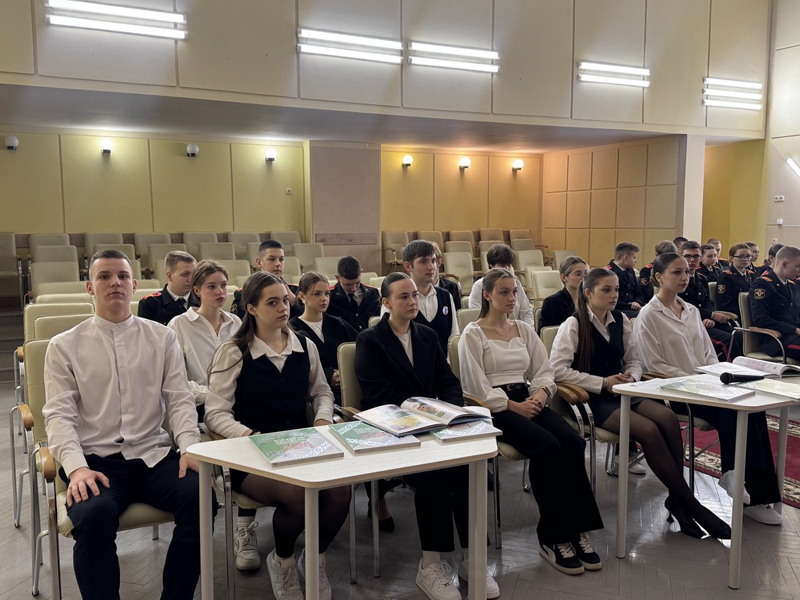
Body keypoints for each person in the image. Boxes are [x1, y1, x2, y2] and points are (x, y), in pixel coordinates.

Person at [43, 249, 212, 600]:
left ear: (134, 285)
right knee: (92, 516)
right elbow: (58, 416)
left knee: (202, 498)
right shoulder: (64, 346)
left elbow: (179, 400)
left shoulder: (161, 337)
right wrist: (76, 469)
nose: (114, 283)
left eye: (122, 276)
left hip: (153, 456)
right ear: (90, 287)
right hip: (96, 463)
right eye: (104, 276)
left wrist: (189, 448)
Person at [550, 267, 731, 540]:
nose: (614, 295)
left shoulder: (621, 320)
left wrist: (631, 376)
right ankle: (691, 506)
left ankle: (678, 501)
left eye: (616, 290)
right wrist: (603, 382)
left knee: (668, 418)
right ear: (588, 293)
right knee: (648, 430)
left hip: (622, 389)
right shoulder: (574, 324)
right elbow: (558, 370)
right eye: (606, 290)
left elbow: (634, 360)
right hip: (592, 397)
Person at [205, 272, 350, 600]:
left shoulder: (304, 345)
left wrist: (323, 417)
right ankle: (283, 560)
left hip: (301, 447)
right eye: (272, 302)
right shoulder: (234, 352)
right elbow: (215, 414)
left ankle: (315, 558)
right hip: (250, 453)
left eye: (285, 300)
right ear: (252, 308)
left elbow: (322, 392)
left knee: (340, 491)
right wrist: (249, 435)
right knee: (297, 494)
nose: (283, 308)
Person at [356, 272, 500, 600]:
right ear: (386, 302)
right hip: (391, 428)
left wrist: (450, 410)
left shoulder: (427, 335)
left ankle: (472, 558)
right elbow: (377, 393)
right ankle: (430, 564)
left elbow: (447, 380)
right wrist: (421, 412)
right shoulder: (370, 340)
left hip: (430, 425)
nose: (412, 301)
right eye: (403, 296)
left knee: (468, 469)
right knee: (434, 474)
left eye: (414, 296)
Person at [459, 269, 604, 576]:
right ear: (487, 295)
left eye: (515, 292)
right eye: (504, 292)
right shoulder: (473, 333)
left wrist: (540, 394)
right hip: (495, 407)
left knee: (573, 442)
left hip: (528, 397)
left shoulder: (524, 329)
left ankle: (577, 529)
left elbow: (544, 370)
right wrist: (512, 405)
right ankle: (553, 537)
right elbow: (474, 385)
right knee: (548, 447)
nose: (512, 298)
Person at [635, 252, 782, 524]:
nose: (684, 277)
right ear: (658, 277)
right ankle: (733, 475)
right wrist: (694, 379)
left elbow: (709, 355)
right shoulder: (648, 315)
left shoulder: (691, 311)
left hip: (703, 383)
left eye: (686, 272)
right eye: (676, 272)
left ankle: (759, 496)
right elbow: (652, 364)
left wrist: (714, 375)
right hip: (673, 390)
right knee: (732, 410)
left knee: (753, 407)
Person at [168, 260, 241, 421]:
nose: (220, 291)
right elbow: (176, 378)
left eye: (223, 285)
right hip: (200, 405)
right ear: (197, 290)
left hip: (239, 402)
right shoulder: (179, 324)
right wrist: (214, 396)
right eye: (211, 286)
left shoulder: (235, 322)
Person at [380, 240, 459, 354]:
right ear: (408, 266)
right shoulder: (395, 299)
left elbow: (454, 338)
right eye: (423, 262)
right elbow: (388, 340)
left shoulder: (446, 296)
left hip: (442, 362)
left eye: (433, 261)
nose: (431, 267)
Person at [290, 271, 358, 402]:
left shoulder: (338, 323)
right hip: (312, 396)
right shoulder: (293, 328)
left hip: (345, 390)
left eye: (327, 293)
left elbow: (358, 350)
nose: (324, 298)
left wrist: (345, 374)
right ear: (302, 296)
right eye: (317, 294)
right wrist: (328, 376)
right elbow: (295, 367)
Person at [676, 241, 735, 359]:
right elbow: (683, 306)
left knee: (736, 334)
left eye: (696, 256)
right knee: (727, 340)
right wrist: (710, 315)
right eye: (687, 256)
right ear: (681, 257)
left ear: (700, 258)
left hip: (705, 319)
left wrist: (710, 317)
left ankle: (740, 366)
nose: (692, 260)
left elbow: (708, 302)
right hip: (689, 323)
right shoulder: (678, 279)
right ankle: (727, 369)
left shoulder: (702, 278)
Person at [749, 245, 800, 363]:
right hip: (777, 339)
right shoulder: (763, 285)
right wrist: (794, 329)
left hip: (794, 336)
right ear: (784, 264)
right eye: (797, 266)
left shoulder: (792, 285)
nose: (799, 271)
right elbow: (761, 319)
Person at [231, 240, 302, 320]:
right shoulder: (244, 293)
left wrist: (294, 302)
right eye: (272, 259)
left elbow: (307, 321)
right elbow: (238, 323)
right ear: (259, 262)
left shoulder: (295, 290)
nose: (278, 264)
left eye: (281, 259)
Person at [468, 243, 534, 327]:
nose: (506, 269)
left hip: (515, 330)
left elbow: (526, 312)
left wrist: (528, 331)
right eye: (502, 265)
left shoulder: (516, 283)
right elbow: (476, 315)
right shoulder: (479, 286)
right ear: (491, 265)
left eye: (509, 265)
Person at [138, 250, 199, 325]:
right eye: (185, 274)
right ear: (169, 276)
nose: (191, 279)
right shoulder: (150, 304)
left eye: (194, 274)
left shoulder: (201, 299)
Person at [326, 255, 381, 332]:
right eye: (348, 285)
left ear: (361, 273)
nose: (353, 288)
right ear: (337, 278)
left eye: (357, 283)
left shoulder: (372, 294)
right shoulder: (329, 296)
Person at [539, 256, 587, 330]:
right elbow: (546, 333)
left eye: (586, 274)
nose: (584, 278)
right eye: (578, 274)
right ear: (563, 277)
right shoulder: (552, 302)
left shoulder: (591, 299)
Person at [717, 243, 756, 321]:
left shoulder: (753, 275)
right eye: (741, 257)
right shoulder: (726, 277)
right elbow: (726, 305)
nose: (745, 259)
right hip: (739, 316)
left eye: (748, 256)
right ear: (731, 258)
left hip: (754, 313)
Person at [604, 242, 643, 317]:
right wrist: (630, 305)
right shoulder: (608, 272)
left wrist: (637, 302)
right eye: (634, 258)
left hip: (632, 308)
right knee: (644, 316)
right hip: (616, 309)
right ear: (625, 258)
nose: (636, 261)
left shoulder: (630, 271)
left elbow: (638, 292)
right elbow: (608, 297)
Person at [432, 242, 462, 310]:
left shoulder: (452, 287)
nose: (429, 267)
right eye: (423, 262)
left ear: (439, 262)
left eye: (432, 261)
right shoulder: (413, 290)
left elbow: (457, 313)